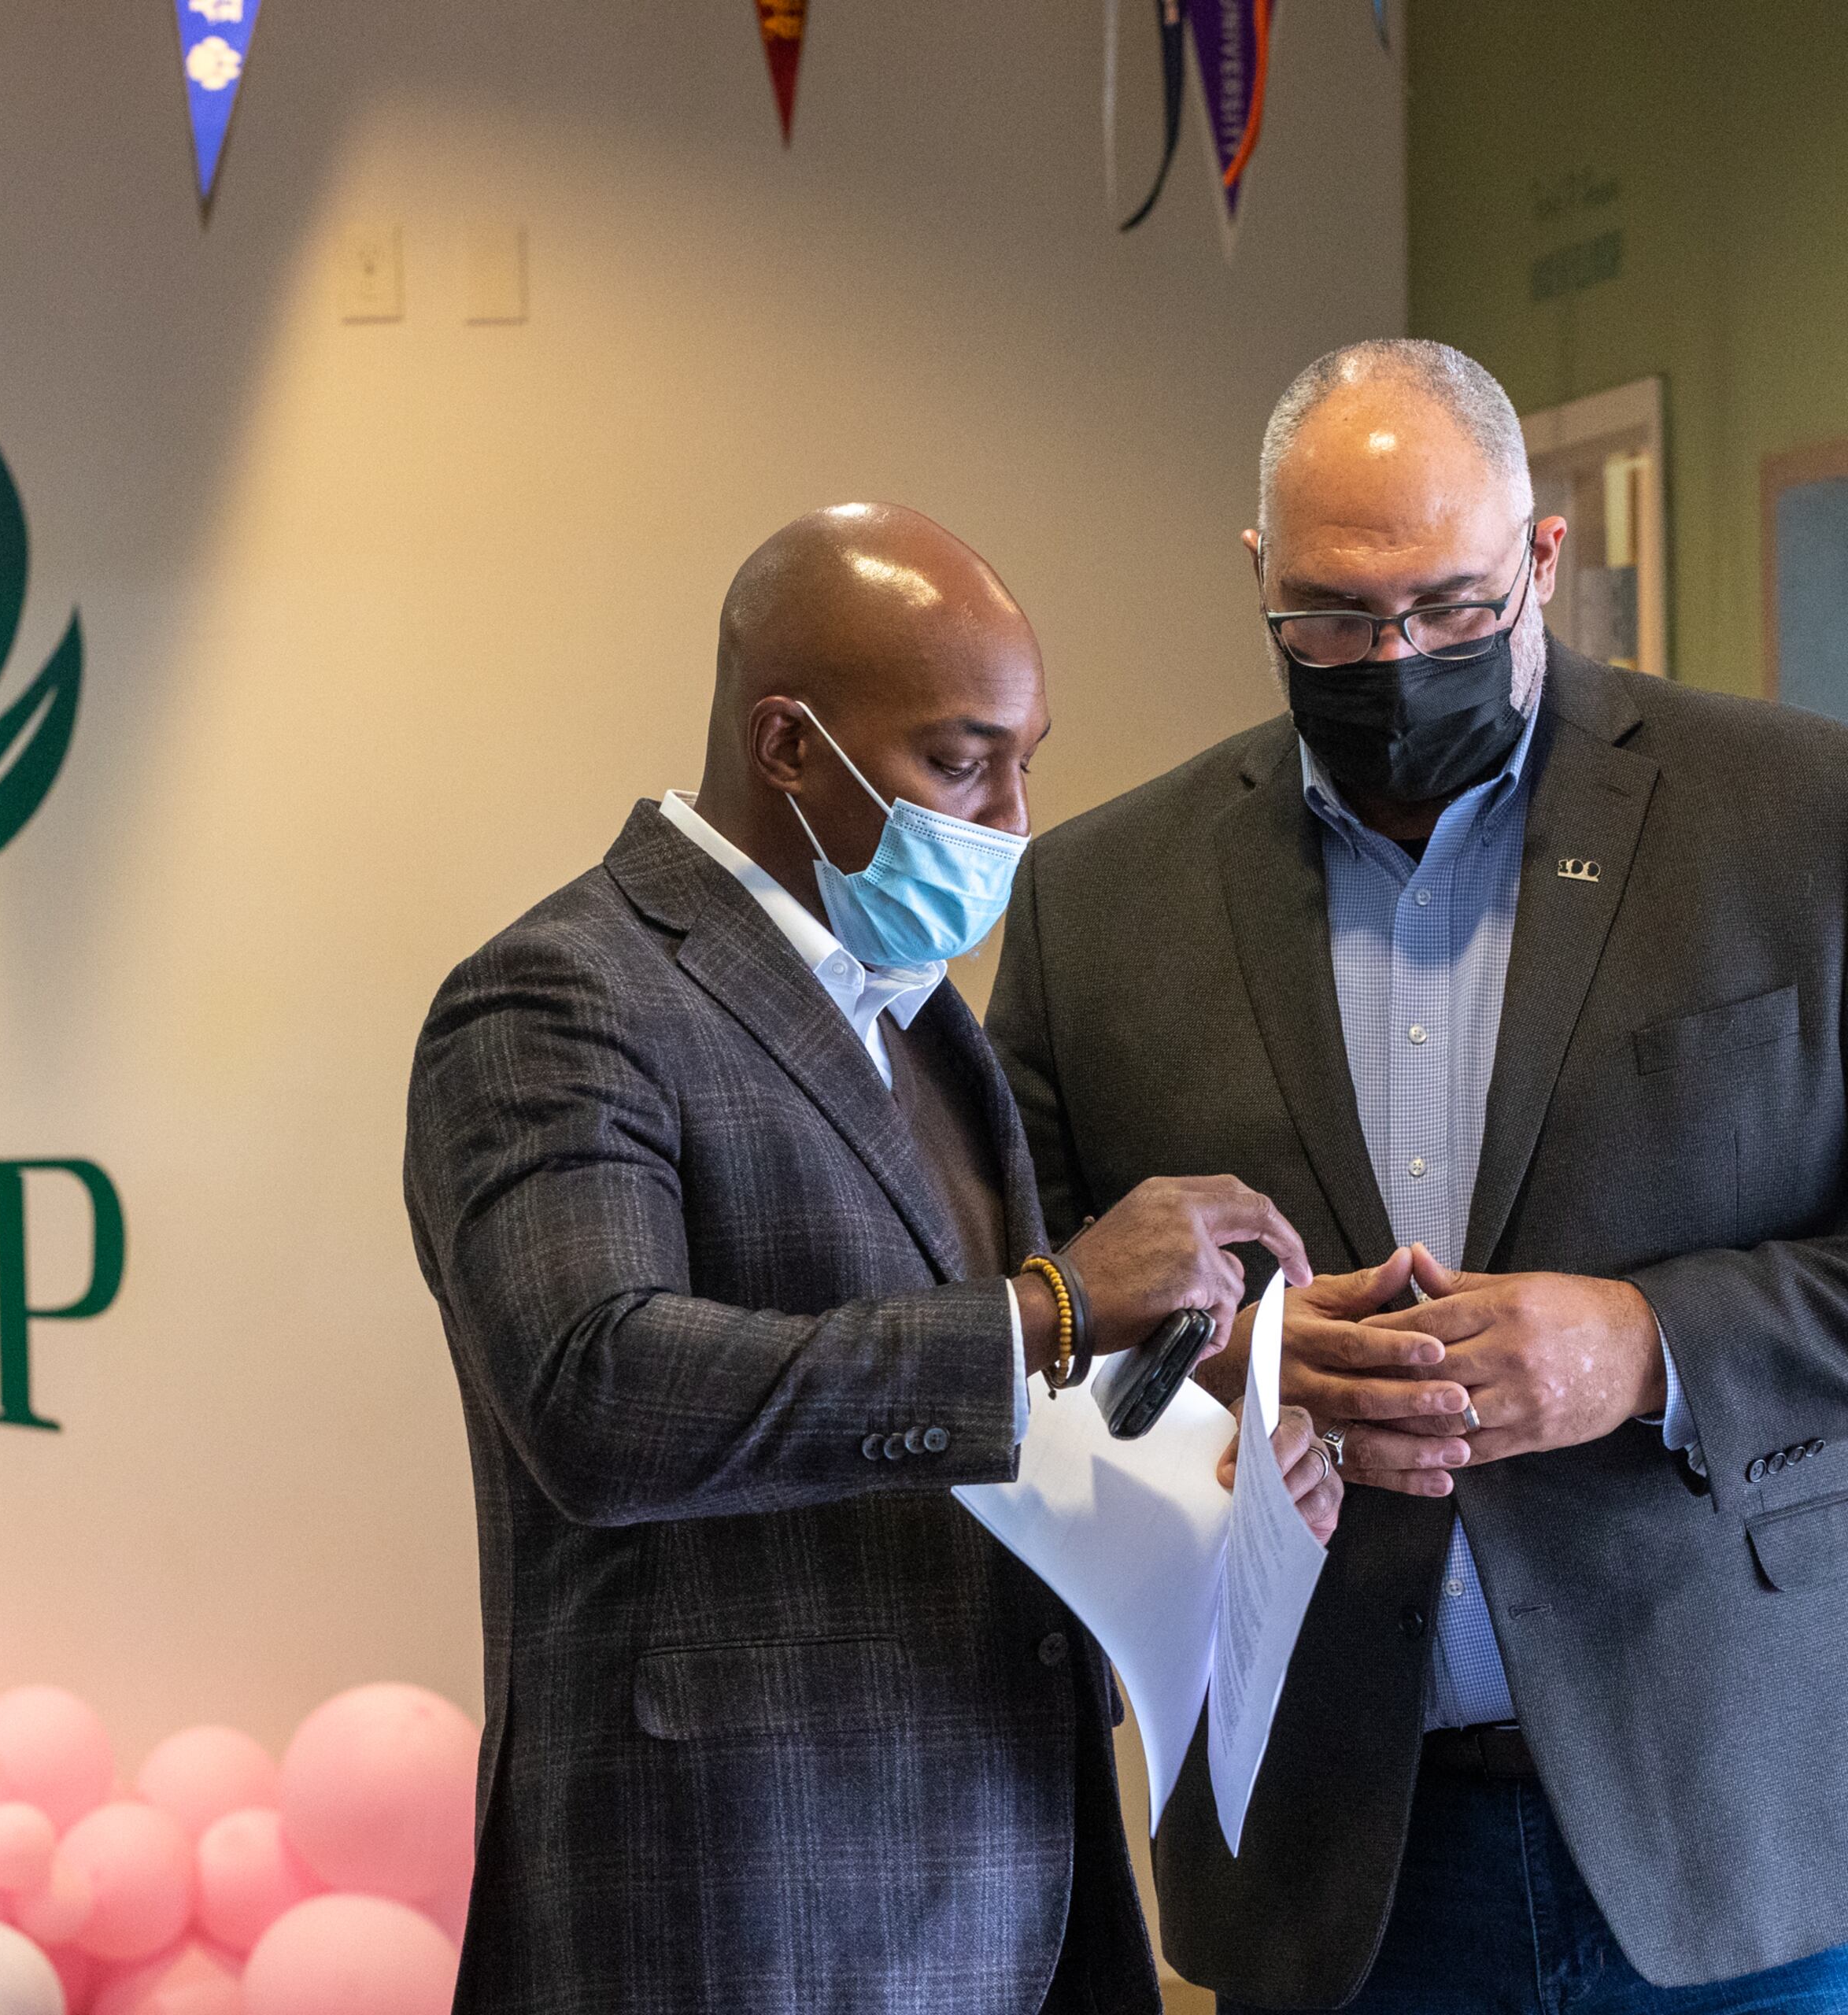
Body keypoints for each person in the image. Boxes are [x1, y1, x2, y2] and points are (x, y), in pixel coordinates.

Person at [987, 338, 1848, 2013]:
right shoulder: (1101, 902)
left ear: (1541, 554)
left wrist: (1651, 1343)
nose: (1395, 659)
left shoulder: (1802, 819)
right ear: (1257, 579)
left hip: (1736, 1831)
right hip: (1329, 1858)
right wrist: (1226, 1368)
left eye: (1452, 607)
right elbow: (1025, 1332)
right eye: (1330, 618)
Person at [404, 503, 1340, 2015]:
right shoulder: (556, 998)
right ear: (787, 744)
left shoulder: (929, 1025)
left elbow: (985, 1439)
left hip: (1019, 1883)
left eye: (1026, 759)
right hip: (738, 1908)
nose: (1013, 823)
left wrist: (1209, 1481)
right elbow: (597, 1393)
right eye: (961, 763)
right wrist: (1056, 1303)